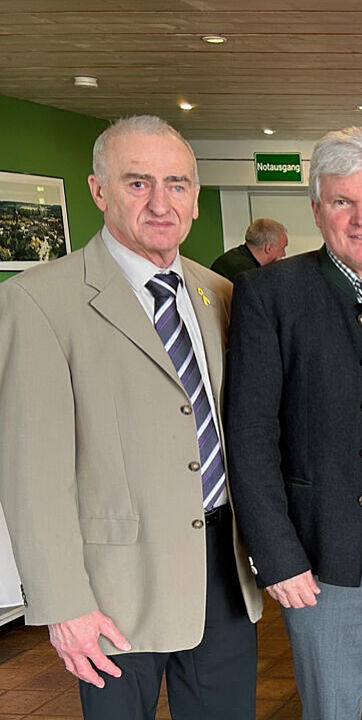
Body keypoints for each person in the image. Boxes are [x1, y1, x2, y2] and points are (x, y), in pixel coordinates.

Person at [0, 115, 262, 719]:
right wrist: (63, 603)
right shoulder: (37, 302)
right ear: (99, 191)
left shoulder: (218, 293)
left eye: (176, 184)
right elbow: (31, 475)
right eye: (138, 183)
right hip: (113, 589)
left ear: (196, 198)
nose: (160, 202)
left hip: (221, 571)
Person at [224, 126, 362, 719]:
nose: (361, 218)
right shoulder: (270, 294)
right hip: (325, 551)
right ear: (316, 209)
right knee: (333, 709)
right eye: (342, 201)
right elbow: (249, 438)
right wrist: (278, 556)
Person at [210, 217, 289, 281]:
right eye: (282, 248)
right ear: (269, 248)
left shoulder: (232, 259)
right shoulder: (249, 275)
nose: (284, 254)